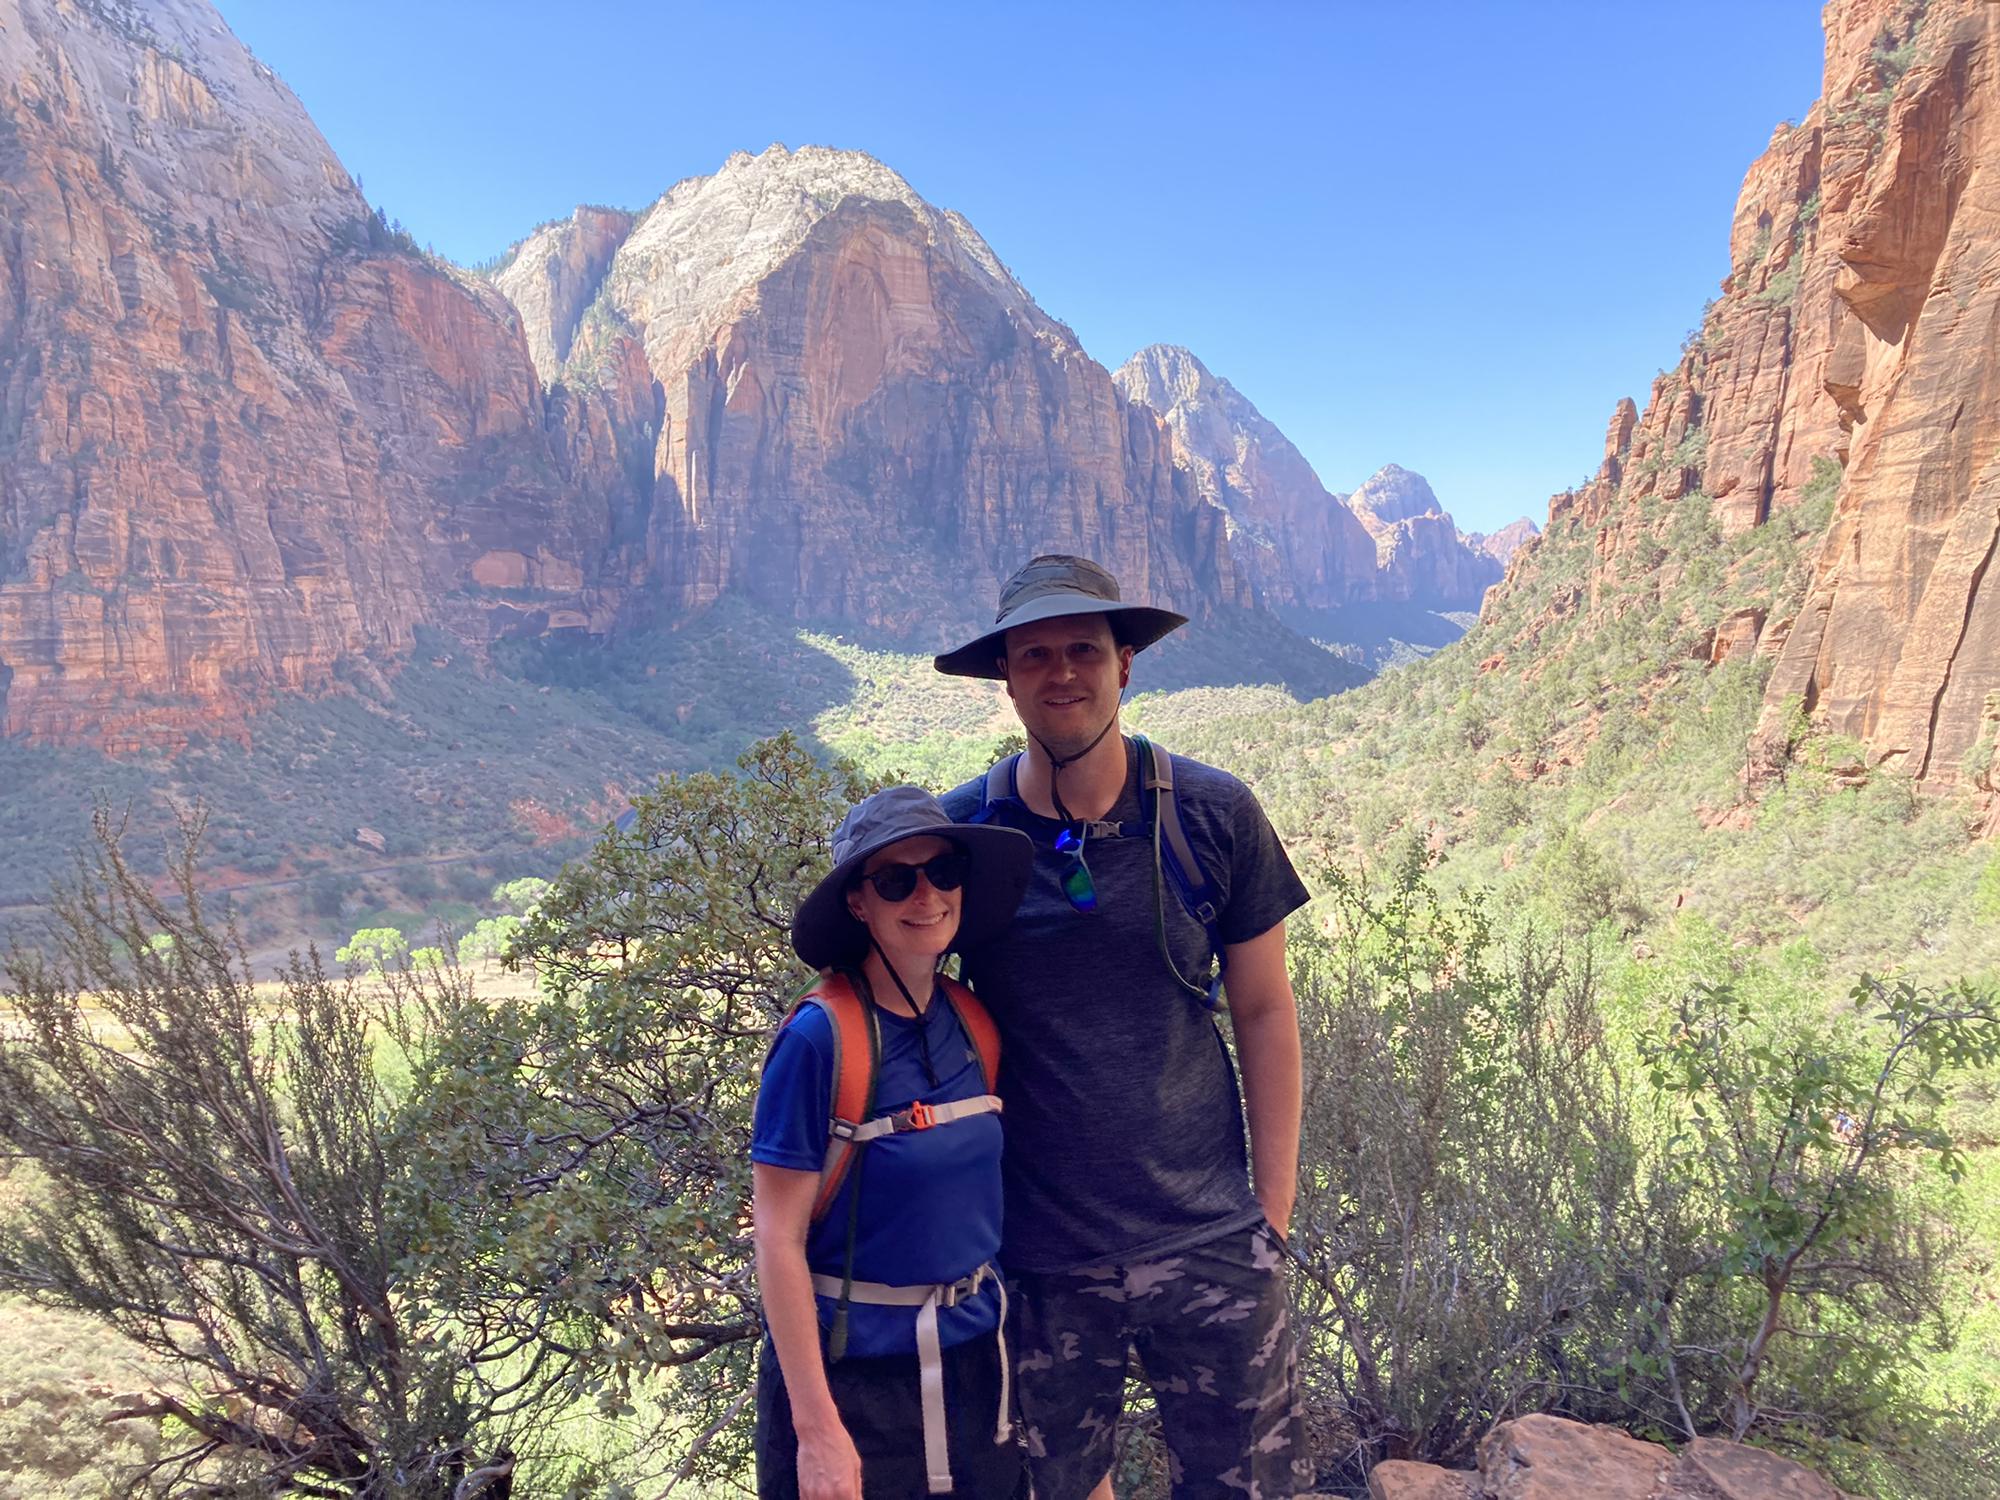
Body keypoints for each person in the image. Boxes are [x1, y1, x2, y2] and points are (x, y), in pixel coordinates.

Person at [934, 555, 1313, 1500]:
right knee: (1062, 1488)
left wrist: (1271, 1212)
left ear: (1125, 664)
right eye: (1036, 656)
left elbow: (1265, 1008)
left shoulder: (1213, 813)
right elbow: (897, 1008)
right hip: (1042, 1255)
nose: (1062, 672)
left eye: (1084, 650)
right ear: (1006, 678)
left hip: (1214, 1236)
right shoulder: (964, 842)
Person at [753, 785, 1035, 1500]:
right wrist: (817, 1434)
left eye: (942, 872)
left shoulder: (972, 1021)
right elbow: (777, 1238)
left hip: (978, 1369)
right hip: (857, 1387)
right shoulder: (821, 1040)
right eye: (896, 880)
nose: (927, 896)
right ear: (859, 902)